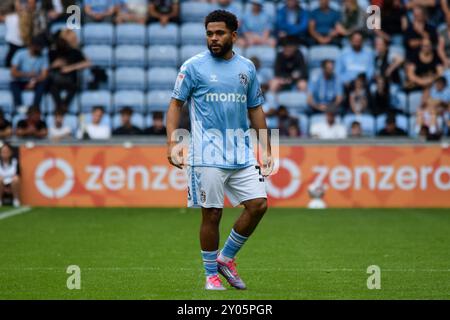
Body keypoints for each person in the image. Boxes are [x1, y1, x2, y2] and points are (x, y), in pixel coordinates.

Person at [166, 10, 273, 291]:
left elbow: (255, 109)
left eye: (219, 33)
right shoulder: (193, 66)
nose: (213, 38)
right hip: (206, 155)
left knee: (259, 205)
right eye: (209, 33)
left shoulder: (246, 68)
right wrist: (172, 142)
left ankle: (226, 258)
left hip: (241, 152)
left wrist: (267, 148)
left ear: (233, 35)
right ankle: (210, 275)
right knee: (212, 214)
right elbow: (175, 105)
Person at [48, 29, 91, 113]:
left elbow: (88, 63)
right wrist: (54, 65)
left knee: (74, 87)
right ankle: (59, 106)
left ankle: (63, 106)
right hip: (56, 80)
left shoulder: (74, 52)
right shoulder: (53, 52)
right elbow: (46, 67)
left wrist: (70, 68)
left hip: (70, 80)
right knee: (52, 87)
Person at [10, 36, 49, 109]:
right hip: (20, 81)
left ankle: (35, 108)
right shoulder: (20, 53)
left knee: (43, 83)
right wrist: (28, 75)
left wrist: (33, 81)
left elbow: (44, 75)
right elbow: (13, 72)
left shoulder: (43, 56)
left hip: (36, 81)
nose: (40, 49)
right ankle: (19, 108)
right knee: (13, 83)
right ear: (32, 46)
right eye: (38, 47)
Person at [0, 143, 21, 207]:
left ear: (11, 153)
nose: (5, 153)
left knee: (16, 179)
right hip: (1, 182)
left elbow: (18, 174)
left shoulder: (15, 162)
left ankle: (16, 200)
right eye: (3, 151)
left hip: (11, 182)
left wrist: (9, 187)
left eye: (7, 151)